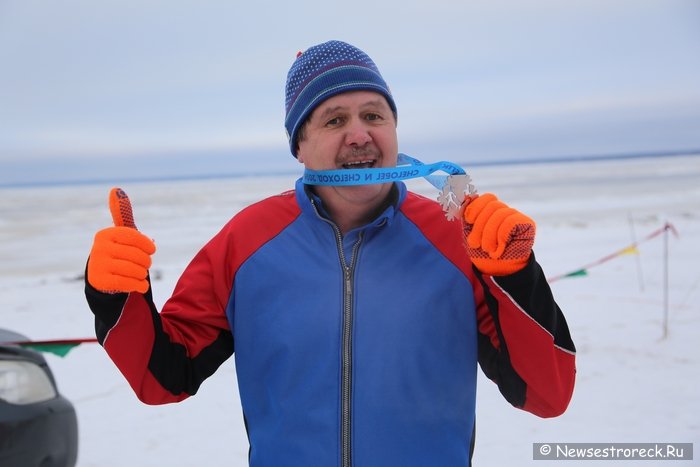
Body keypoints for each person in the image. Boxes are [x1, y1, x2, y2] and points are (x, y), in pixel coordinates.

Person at [85, 40, 576, 466]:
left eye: (373, 115)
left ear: (395, 133)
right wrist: (117, 296)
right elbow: (163, 377)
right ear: (300, 146)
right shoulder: (245, 241)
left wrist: (515, 278)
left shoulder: (458, 239)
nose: (359, 134)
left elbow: (546, 394)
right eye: (334, 119)